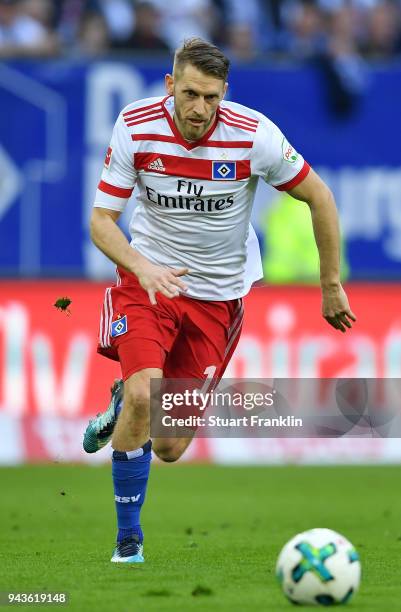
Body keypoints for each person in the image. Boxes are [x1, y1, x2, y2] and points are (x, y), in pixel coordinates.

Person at [83, 37, 356, 564]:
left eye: (211, 98)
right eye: (189, 94)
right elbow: (101, 221)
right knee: (147, 395)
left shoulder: (253, 135)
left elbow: (319, 196)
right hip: (147, 284)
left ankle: (122, 402)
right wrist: (142, 266)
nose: (199, 109)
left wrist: (330, 284)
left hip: (218, 298)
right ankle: (128, 542)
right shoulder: (136, 125)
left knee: (169, 446)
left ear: (224, 93)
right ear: (170, 86)